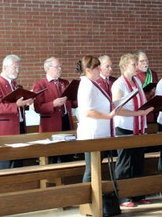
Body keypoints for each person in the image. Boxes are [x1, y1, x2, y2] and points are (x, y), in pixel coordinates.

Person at [112, 53, 153, 207]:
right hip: (125, 127)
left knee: (138, 161)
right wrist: (138, 113)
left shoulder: (137, 81)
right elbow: (117, 109)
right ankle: (123, 196)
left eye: (137, 64)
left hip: (139, 125)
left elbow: (141, 101)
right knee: (125, 162)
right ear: (124, 66)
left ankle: (137, 194)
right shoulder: (118, 84)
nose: (137, 67)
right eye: (133, 65)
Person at [76, 55, 121, 183]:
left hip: (99, 133)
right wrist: (108, 116)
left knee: (95, 169)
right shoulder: (87, 85)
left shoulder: (92, 84)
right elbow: (87, 111)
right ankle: (86, 200)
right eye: (97, 68)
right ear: (89, 70)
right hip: (92, 134)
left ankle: (95, 199)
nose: (99, 70)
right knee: (91, 170)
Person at [0, 55, 33, 169]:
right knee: (5, 165)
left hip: (19, 128)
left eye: (18, 68)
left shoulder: (13, 84)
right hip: (5, 131)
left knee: (18, 164)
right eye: (15, 68)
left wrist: (26, 102)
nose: (17, 71)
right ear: (4, 67)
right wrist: (17, 105)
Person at [33, 57, 76, 163]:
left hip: (66, 122)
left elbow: (73, 102)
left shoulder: (65, 83)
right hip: (51, 125)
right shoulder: (40, 85)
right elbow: (38, 107)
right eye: (57, 67)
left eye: (60, 66)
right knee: (52, 157)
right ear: (47, 68)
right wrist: (53, 104)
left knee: (68, 156)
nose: (60, 69)